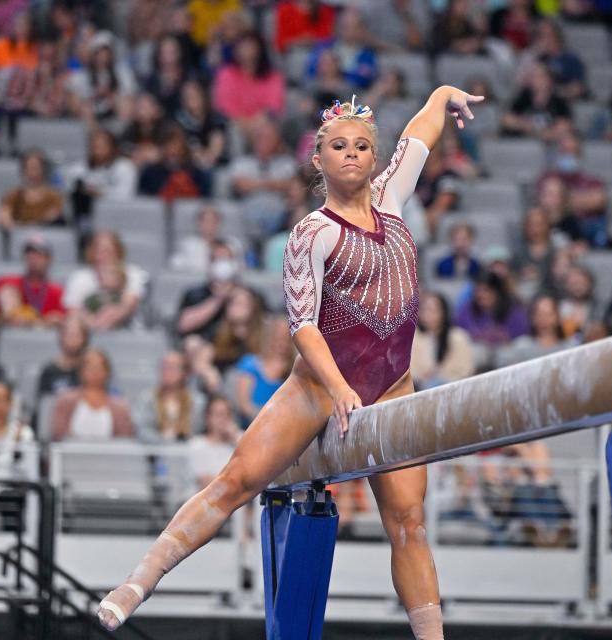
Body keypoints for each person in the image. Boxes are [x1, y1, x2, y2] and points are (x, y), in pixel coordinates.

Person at [98, 85, 485, 640]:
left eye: (360, 146)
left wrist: (443, 94)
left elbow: (419, 133)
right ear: (319, 160)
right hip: (318, 390)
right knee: (234, 482)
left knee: (409, 525)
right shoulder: (313, 232)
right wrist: (338, 387)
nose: (351, 153)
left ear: (374, 159)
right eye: (338, 146)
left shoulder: (393, 197)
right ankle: (137, 582)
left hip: (392, 385)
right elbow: (303, 324)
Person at [63, 231, 149, 331]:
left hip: (127, 331)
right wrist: (93, 324)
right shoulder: (80, 277)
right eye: (99, 251)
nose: (104, 255)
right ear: (92, 252)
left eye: (109, 250)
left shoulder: (133, 273)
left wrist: (109, 318)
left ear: (118, 251)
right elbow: (73, 310)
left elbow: (128, 305)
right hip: (88, 331)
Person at [62, 129, 138, 235]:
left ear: (112, 147)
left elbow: (126, 197)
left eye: (102, 146)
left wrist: (99, 193)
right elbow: (67, 196)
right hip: (84, 218)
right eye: (95, 145)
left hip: (116, 218)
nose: (97, 149)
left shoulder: (125, 167)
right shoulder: (76, 169)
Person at [0, 233, 66, 327]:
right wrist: (8, 317)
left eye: (39, 255)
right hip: (10, 333)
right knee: (8, 292)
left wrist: (51, 321)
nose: (33, 258)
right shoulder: (5, 281)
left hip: (43, 337)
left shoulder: (57, 291)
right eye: (29, 254)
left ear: (49, 259)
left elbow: (65, 322)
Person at [51, 349, 134, 441]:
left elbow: (124, 440)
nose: (94, 371)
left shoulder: (120, 407)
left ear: (107, 372)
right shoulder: (65, 401)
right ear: (81, 371)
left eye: (99, 367)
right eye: (90, 367)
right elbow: (58, 434)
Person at [232, 316, 294, 428]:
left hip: (282, 427)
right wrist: (265, 423)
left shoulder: (294, 369)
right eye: (277, 337)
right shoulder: (250, 364)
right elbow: (244, 404)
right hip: (251, 426)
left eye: (286, 338)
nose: (282, 343)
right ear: (269, 337)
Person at [134, 351, 205, 443]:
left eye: (171, 367)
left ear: (184, 372)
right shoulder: (147, 398)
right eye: (164, 367)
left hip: (187, 450)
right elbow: (142, 429)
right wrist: (163, 440)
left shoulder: (196, 401)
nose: (166, 371)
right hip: (155, 451)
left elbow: (198, 429)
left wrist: (180, 437)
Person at [410, 291, 474, 390]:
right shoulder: (413, 338)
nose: (427, 314)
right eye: (424, 310)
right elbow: (410, 371)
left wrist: (442, 378)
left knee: (436, 383)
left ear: (443, 312)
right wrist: (420, 377)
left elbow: (467, 370)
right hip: (422, 388)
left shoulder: (458, 337)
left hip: (454, 387)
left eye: (432, 310)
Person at [176, 253, 241, 341]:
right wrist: (218, 298)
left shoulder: (246, 295)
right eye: (217, 260)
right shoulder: (195, 294)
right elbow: (183, 325)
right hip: (203, 342)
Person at [0, 149, 65, 229]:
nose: (33, 173)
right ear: (23, 170)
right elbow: (4, 216)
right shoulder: (12, 195)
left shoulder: (54, 196)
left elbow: (54, 216)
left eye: (36, 168)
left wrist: (33, 225)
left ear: (43, 170)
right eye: (29, 168)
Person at [497, 294, 570, 367]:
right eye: (539, 315)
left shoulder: (567, 348)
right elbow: (502, 360)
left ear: (557, 317)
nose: (544, 320)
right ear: (533, 318)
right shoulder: (522, 346)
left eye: (549, 314)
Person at [187, 394, 241, 490]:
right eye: (219, 414)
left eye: (227, 414)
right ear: (208, 417)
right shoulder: (197, 445)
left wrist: (236, 439)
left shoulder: (239, 439)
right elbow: (205, 483)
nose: (223, 419)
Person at [35, 314, 88, 403]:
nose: (73, 340)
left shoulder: (89, 371)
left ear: (85, 338)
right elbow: (42, 404)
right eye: (70, 335)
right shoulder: (49, 371)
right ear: (61, 337)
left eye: (77, 335)